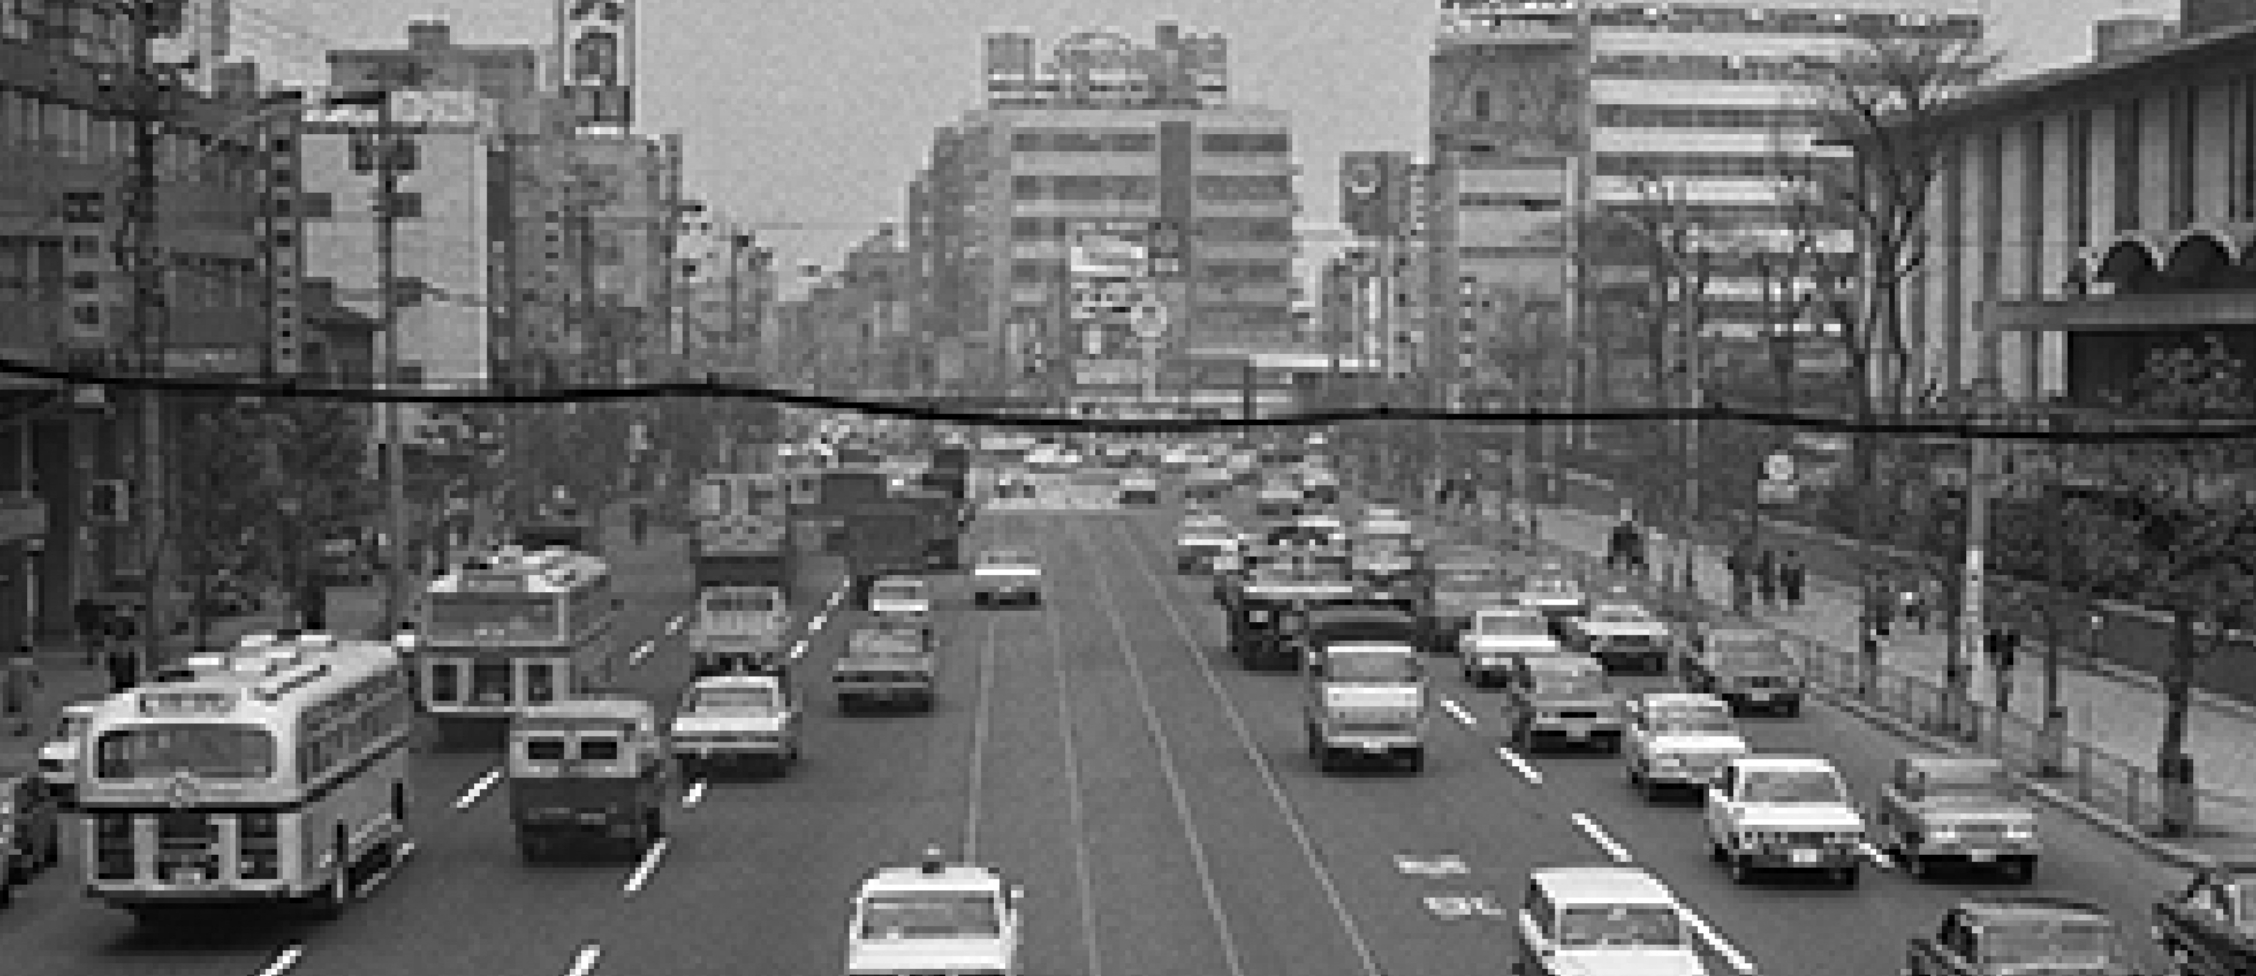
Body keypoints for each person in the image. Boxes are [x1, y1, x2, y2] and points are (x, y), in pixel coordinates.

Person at [4, 642, 39, 735]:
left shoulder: (12, 662)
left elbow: (8, 678)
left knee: (17, 709)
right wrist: (37, 685)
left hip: (15, 688)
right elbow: (34, 676)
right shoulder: (29, 662)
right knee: (26, 709)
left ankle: (20, 727)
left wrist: (7, 691)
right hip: (26, 688)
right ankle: (25, 727)